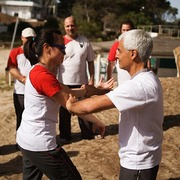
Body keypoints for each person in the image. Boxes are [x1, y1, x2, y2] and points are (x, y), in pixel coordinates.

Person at [16, 28, 113, 180]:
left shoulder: (39, 70)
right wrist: (98, 122)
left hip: (26, 139)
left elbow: (70, 92)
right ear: (47, 48)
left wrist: (93, 90)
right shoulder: (44, 77)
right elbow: (72, 106)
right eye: (61, 48)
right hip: (41, 144)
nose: (65, 52)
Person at [67, 29, 164, 180]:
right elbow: (115, 95)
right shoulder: (145, 79)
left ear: (133, 54)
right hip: (142, 158)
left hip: (138, 163)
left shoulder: (139, 86)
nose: (116, 55)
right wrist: (95, 90)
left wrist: (71, 106)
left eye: (119, 50)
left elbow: (90, 106)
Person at [58, 15, 96, 141]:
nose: (70, 28)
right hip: (64, 82)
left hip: (82, 83)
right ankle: (65, 136)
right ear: (64, 27)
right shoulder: (60, 42)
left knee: (84, 109)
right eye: (67, 26)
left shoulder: (85, 41)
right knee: (64, 111)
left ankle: (87, 134)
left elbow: (90, 61)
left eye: (72, 25)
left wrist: (91, 79)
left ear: (77, 26)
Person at [6, 27, 36, 133]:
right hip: (20, 92)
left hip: (35, 92)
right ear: (22, 38)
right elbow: (11, 68)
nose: (30, 41)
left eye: (32, 38)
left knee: (35, 117)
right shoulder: (15, 52)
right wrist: (23, 79)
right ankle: (20, 139)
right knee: (21, 116)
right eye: (28, 38)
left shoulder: (38, 52)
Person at [107, 19, 134, 85]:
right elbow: (110, 64)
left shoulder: (137, 45)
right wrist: (108, 82)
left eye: (128, 30)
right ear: (120, 31)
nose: (126, 32)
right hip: (122, 85)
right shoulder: (116, 45)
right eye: (124, 30)